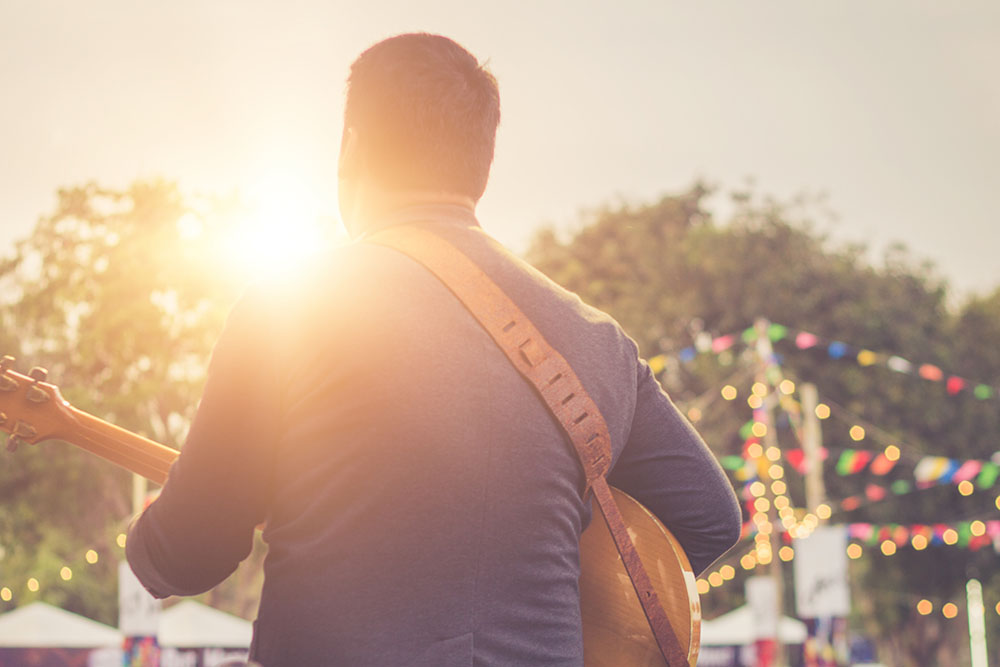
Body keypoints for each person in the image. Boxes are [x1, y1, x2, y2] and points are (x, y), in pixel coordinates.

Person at [126, 33, 741, 665]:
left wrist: (143, 542)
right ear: (480, 161)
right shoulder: (598, 339)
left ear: (351, 146)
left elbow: (190, 551)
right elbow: (709, 520)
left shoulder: (290, 304)